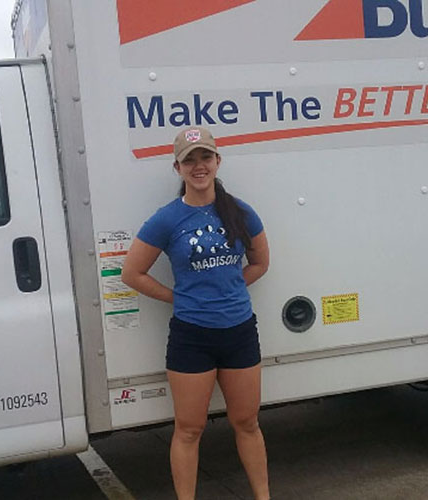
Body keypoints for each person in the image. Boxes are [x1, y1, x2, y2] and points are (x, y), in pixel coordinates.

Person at [122, 126, 270, 500]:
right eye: (190, 159)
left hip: (238, 332)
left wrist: (229, 291)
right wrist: (179, 298)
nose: (198, 165)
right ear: (178, 168)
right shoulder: (167, 219)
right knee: (189, 429)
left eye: (205, 157)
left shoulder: (239, 211)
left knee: (247, 422)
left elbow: (260, 263)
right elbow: (132, 273)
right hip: (192, 337)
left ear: (217, 161)